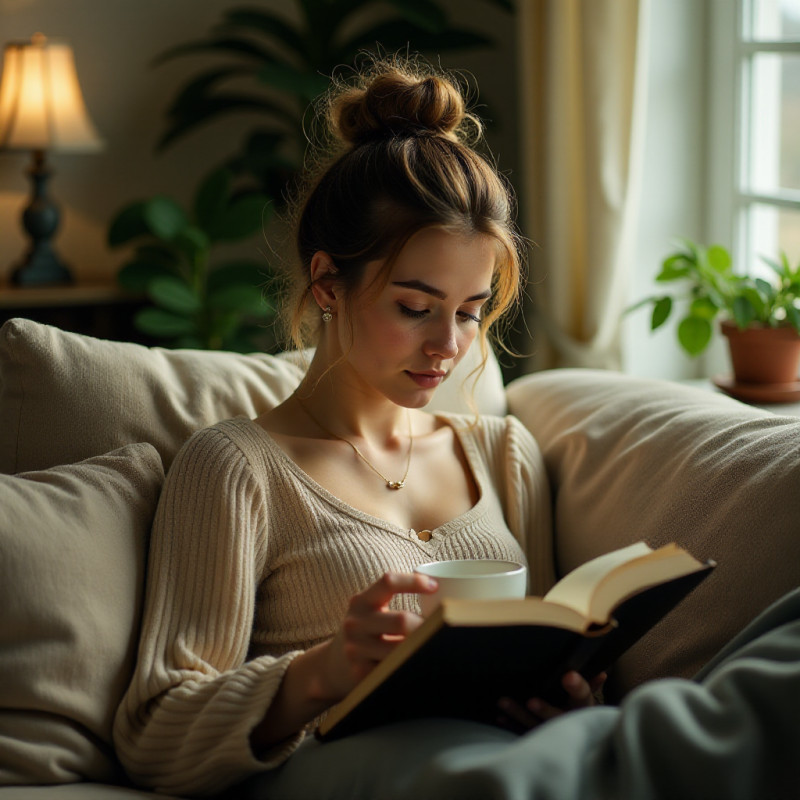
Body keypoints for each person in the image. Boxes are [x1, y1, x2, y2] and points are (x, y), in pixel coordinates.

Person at [112, 57, 601, 799]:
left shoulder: (505, 457)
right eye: (415, 307)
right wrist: (321, 672)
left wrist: (573, 705)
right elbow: (153, 734)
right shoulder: (238, 469)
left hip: (512, 768)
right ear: (326, 283)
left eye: (470, 312)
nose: (448, 345)